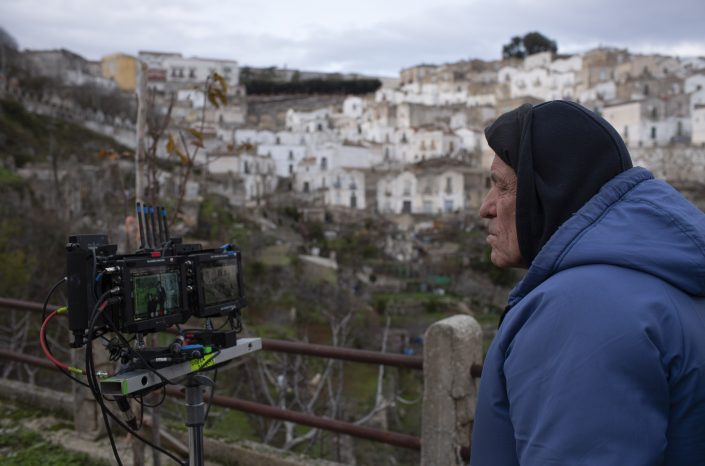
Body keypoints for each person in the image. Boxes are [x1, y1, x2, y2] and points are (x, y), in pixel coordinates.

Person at [470, 100, 705, 465]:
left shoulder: (579, 311)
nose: (485, 207)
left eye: (502, 187)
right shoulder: (661, 279)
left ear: (548, 191)